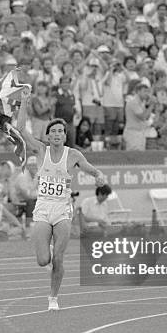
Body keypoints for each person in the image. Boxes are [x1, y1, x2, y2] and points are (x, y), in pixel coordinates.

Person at [16, 88, 106, 311]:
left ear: (65, 136)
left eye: (60, 131)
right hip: (43, 208)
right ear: (48, 136)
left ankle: (53, 298)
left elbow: (92, 171)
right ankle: (47, 263)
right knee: (42, 260)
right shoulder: (40, 150)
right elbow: (20, 129)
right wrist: (24, 102)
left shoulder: (73, 155)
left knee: (58, 257)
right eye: (53, 131)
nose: (56, 134)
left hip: (63, 209)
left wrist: (99, 176)